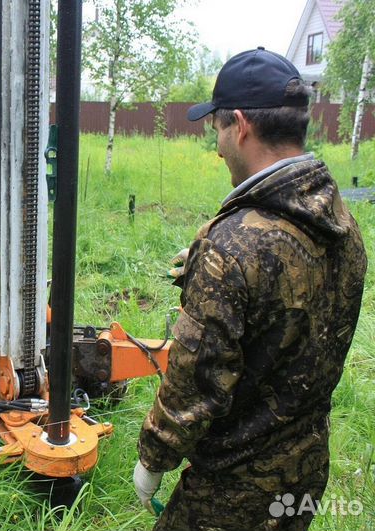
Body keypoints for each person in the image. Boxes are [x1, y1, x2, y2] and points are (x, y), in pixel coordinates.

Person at [133, 48, 367, 531]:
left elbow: (195, 381)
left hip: (232, 492)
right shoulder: (345, 225)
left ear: (240, 125)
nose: (217, 148)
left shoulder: (235, 249)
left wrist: (152, 460)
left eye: (217, 129)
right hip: (305, 472)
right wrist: (210, 261)